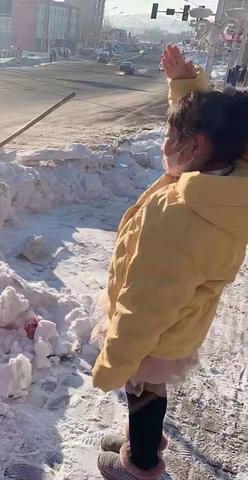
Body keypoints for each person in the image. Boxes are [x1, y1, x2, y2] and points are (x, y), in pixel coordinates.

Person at [93, 45, 248, 479]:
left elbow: (146, 302)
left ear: (196, 145)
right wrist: (185, 86)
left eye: (171, 135)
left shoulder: (181, 216)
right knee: (148, 387)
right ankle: (140, 436)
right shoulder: (228, 180)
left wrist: (115, 359)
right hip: (183, 320)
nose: (165, 143)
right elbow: (221, 120)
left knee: (141, 386)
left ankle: (141, 462)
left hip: (155, 331)